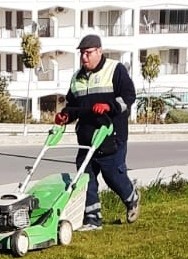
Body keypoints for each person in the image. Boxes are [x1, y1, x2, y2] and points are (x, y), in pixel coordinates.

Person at [54, 34, 140, 231]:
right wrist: (66, 116)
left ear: (99, 51)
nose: (84, 57)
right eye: (82, 54)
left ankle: (131, 197)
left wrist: (109, 106)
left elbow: (129, 96)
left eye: (88, 53)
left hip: (112, 134)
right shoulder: (77, 77)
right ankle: (92, 219)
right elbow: (73, 105)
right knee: (85, 177)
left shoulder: (114, 69)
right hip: (87, 136)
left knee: (112, 175)